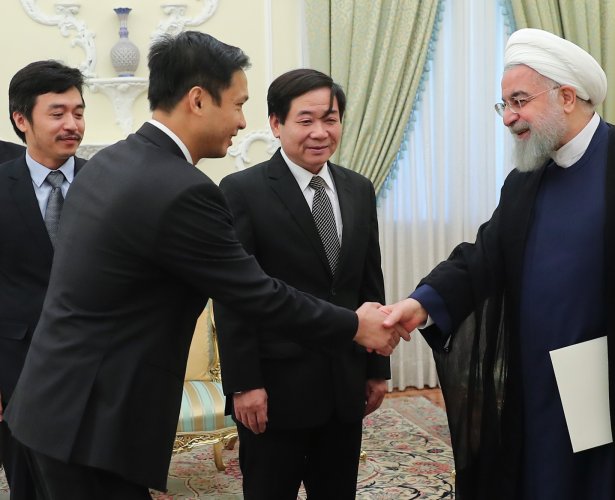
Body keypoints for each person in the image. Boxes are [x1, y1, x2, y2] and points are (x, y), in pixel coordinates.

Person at [4, 31, 404, 499]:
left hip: (53, 406)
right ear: (197, 100)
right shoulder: (181, 189)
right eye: (237, 104)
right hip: (93, 422)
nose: (241, 121)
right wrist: (354, 325)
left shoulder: (113, 161)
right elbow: (255, 293)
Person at [383, 28, 615, 500]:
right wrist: (421, 303)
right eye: (504, 105)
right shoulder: (525, 180)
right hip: (537, 385)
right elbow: (483, 257)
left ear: (567, 97)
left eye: (519, 101)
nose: (509, 117)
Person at [214, 68, 390, 499]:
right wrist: (244, 383)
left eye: (330, 119)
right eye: (306, 120)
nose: (320, 132)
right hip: (275, 391)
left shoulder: (358, 189)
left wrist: (376, 369)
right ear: (276, 124)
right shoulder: (242, 191)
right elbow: (234, 298)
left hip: (343, 385)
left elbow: (370, 284)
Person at [0, 60, 86, 500]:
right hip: (17, 367)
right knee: (29, 486)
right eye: (58, 113)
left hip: (96, 370)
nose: (72, 124)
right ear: (21, 119)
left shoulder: (106, 184)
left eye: (78, 112)